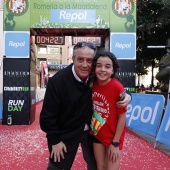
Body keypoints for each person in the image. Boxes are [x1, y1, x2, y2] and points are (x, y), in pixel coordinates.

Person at [40, 42, 131, 170]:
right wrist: (54, 140)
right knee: (58, 165)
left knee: (95, 166)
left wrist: (128, 94)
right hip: (66, 131)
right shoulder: (58, 82)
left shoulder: (95, 77)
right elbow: (46, 117)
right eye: (80, 59)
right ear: (73, 59)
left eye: (89, 61)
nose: (84, 65)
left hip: (91, 132)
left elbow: (114, 85)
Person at [89, 51, 127, 170]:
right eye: (99, 65)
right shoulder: (92, 84)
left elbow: (122, 117)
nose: (102, 69)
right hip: (97, 134)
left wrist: (115, 142)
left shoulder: (117, 87)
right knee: (100, 167)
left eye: (107, 66)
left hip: (113, 138)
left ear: (113, 70)